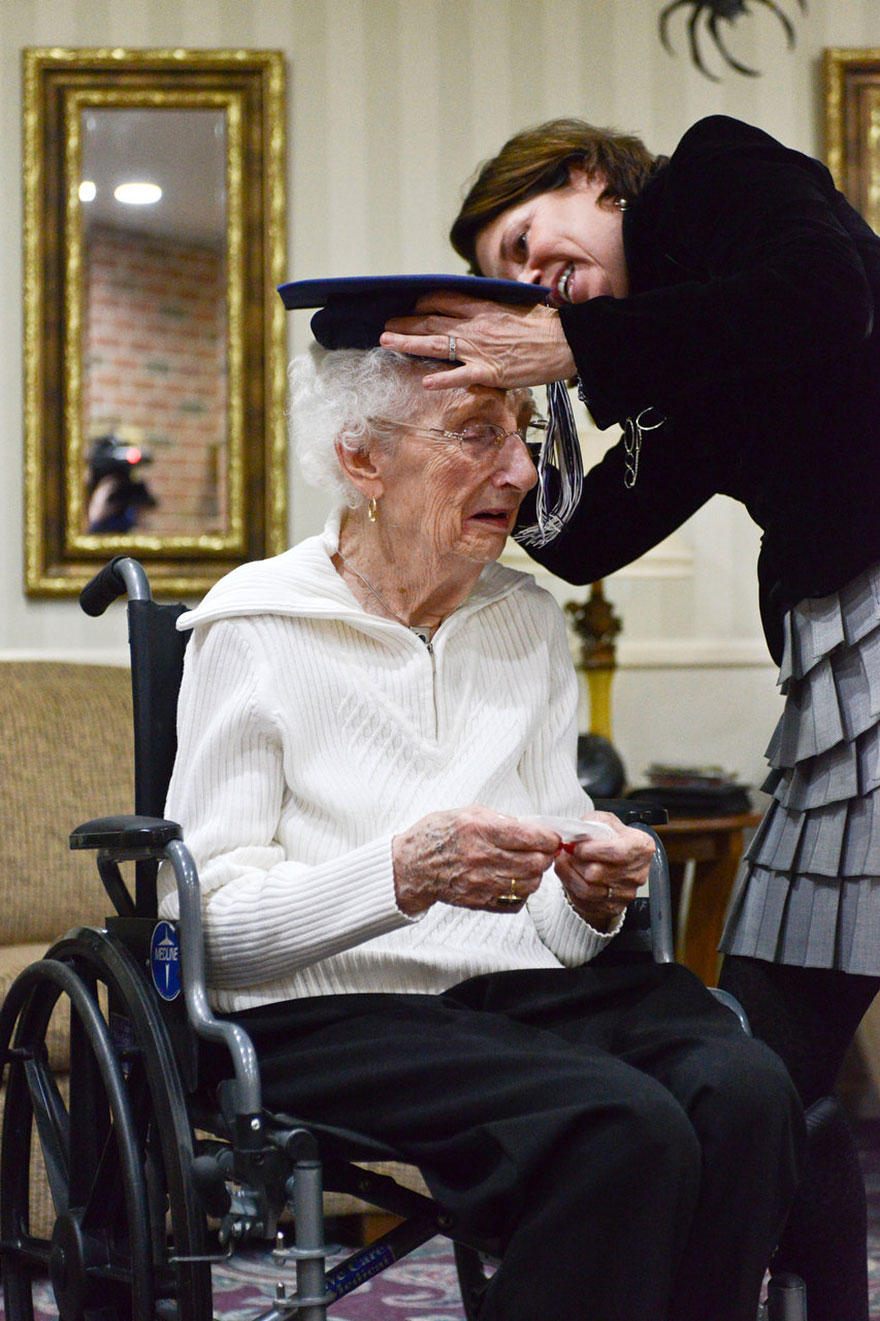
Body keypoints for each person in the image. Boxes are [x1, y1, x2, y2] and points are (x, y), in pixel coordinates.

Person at [159, 288, 802, 1321]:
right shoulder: (255, 627)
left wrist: (589, 893)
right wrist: (400, 874)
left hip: (519, 998)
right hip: (329, 1012)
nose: (519, 471)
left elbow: (555, 924)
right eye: (475, 432)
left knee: (745, 1091)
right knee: (618, 1126)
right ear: (362, 458)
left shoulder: (524, 621)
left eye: (525, 432)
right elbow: (207, 930)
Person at [377, 113, 880, 1321]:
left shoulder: (713, 173)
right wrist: (516, 410)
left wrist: (565, 341)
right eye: (504, 278)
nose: (525, 277)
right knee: (766, 1056)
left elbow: (822, 296)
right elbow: (586, 539)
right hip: (839, 663)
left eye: (523, 238)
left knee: (773, 1047)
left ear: (586, 175)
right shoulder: (682, 363)